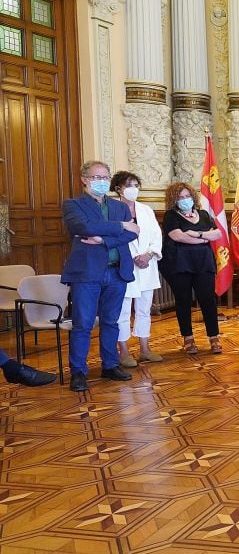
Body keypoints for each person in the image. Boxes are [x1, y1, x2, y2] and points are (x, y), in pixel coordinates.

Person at [61, 161, 140, 392]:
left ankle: (110, 365)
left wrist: (103, 239)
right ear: (84, 179)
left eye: (105, 177)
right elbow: (84, 227)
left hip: (117, 272)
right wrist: (120, 226)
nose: (102, 181)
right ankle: (78, 371)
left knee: (111, 322)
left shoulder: (119, 206)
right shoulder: (73, 204)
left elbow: (132, 234)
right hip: (87, 274)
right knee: (83, 324)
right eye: (97, 177)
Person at [160, 182, 223, 355]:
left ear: (193, 197)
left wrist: (196, 234)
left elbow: (217, 233)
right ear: (174, 200)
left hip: (203, 262)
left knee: (208, 299)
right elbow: (178, 236)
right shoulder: (171, 216)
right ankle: (188, 338)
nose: (185, 200)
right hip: (179, 264)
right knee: (183, 300)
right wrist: (204, 238)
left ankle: (214, 337)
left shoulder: (203, 214)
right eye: (180, 197)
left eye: (187, 196)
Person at [111, 171, 163, 367]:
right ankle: (123, 351)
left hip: (146, 265)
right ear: (118, 188)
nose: (133, 189)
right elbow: (114, 237)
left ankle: (145, 348)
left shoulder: (146, 210)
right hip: (125, 265)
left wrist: (149, 254)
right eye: (128, 185)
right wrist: (133, 257)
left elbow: (156, 235)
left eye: (136, 184)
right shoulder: (113, 209)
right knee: (123, 311)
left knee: (144, 309)